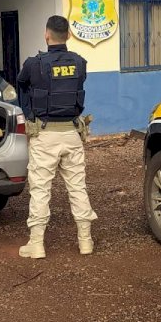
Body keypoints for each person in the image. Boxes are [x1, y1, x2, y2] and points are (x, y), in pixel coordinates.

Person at [16, 15, 97, 259]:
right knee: (78, 187)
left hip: (45, 135)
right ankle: (86, 241)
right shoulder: (80, 62)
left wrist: (30, 113)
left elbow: (21, 85)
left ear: (46, 35)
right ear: (69, 35)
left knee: (40, 189)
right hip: (72, 133)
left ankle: (37, 244)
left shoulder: (33, 64)